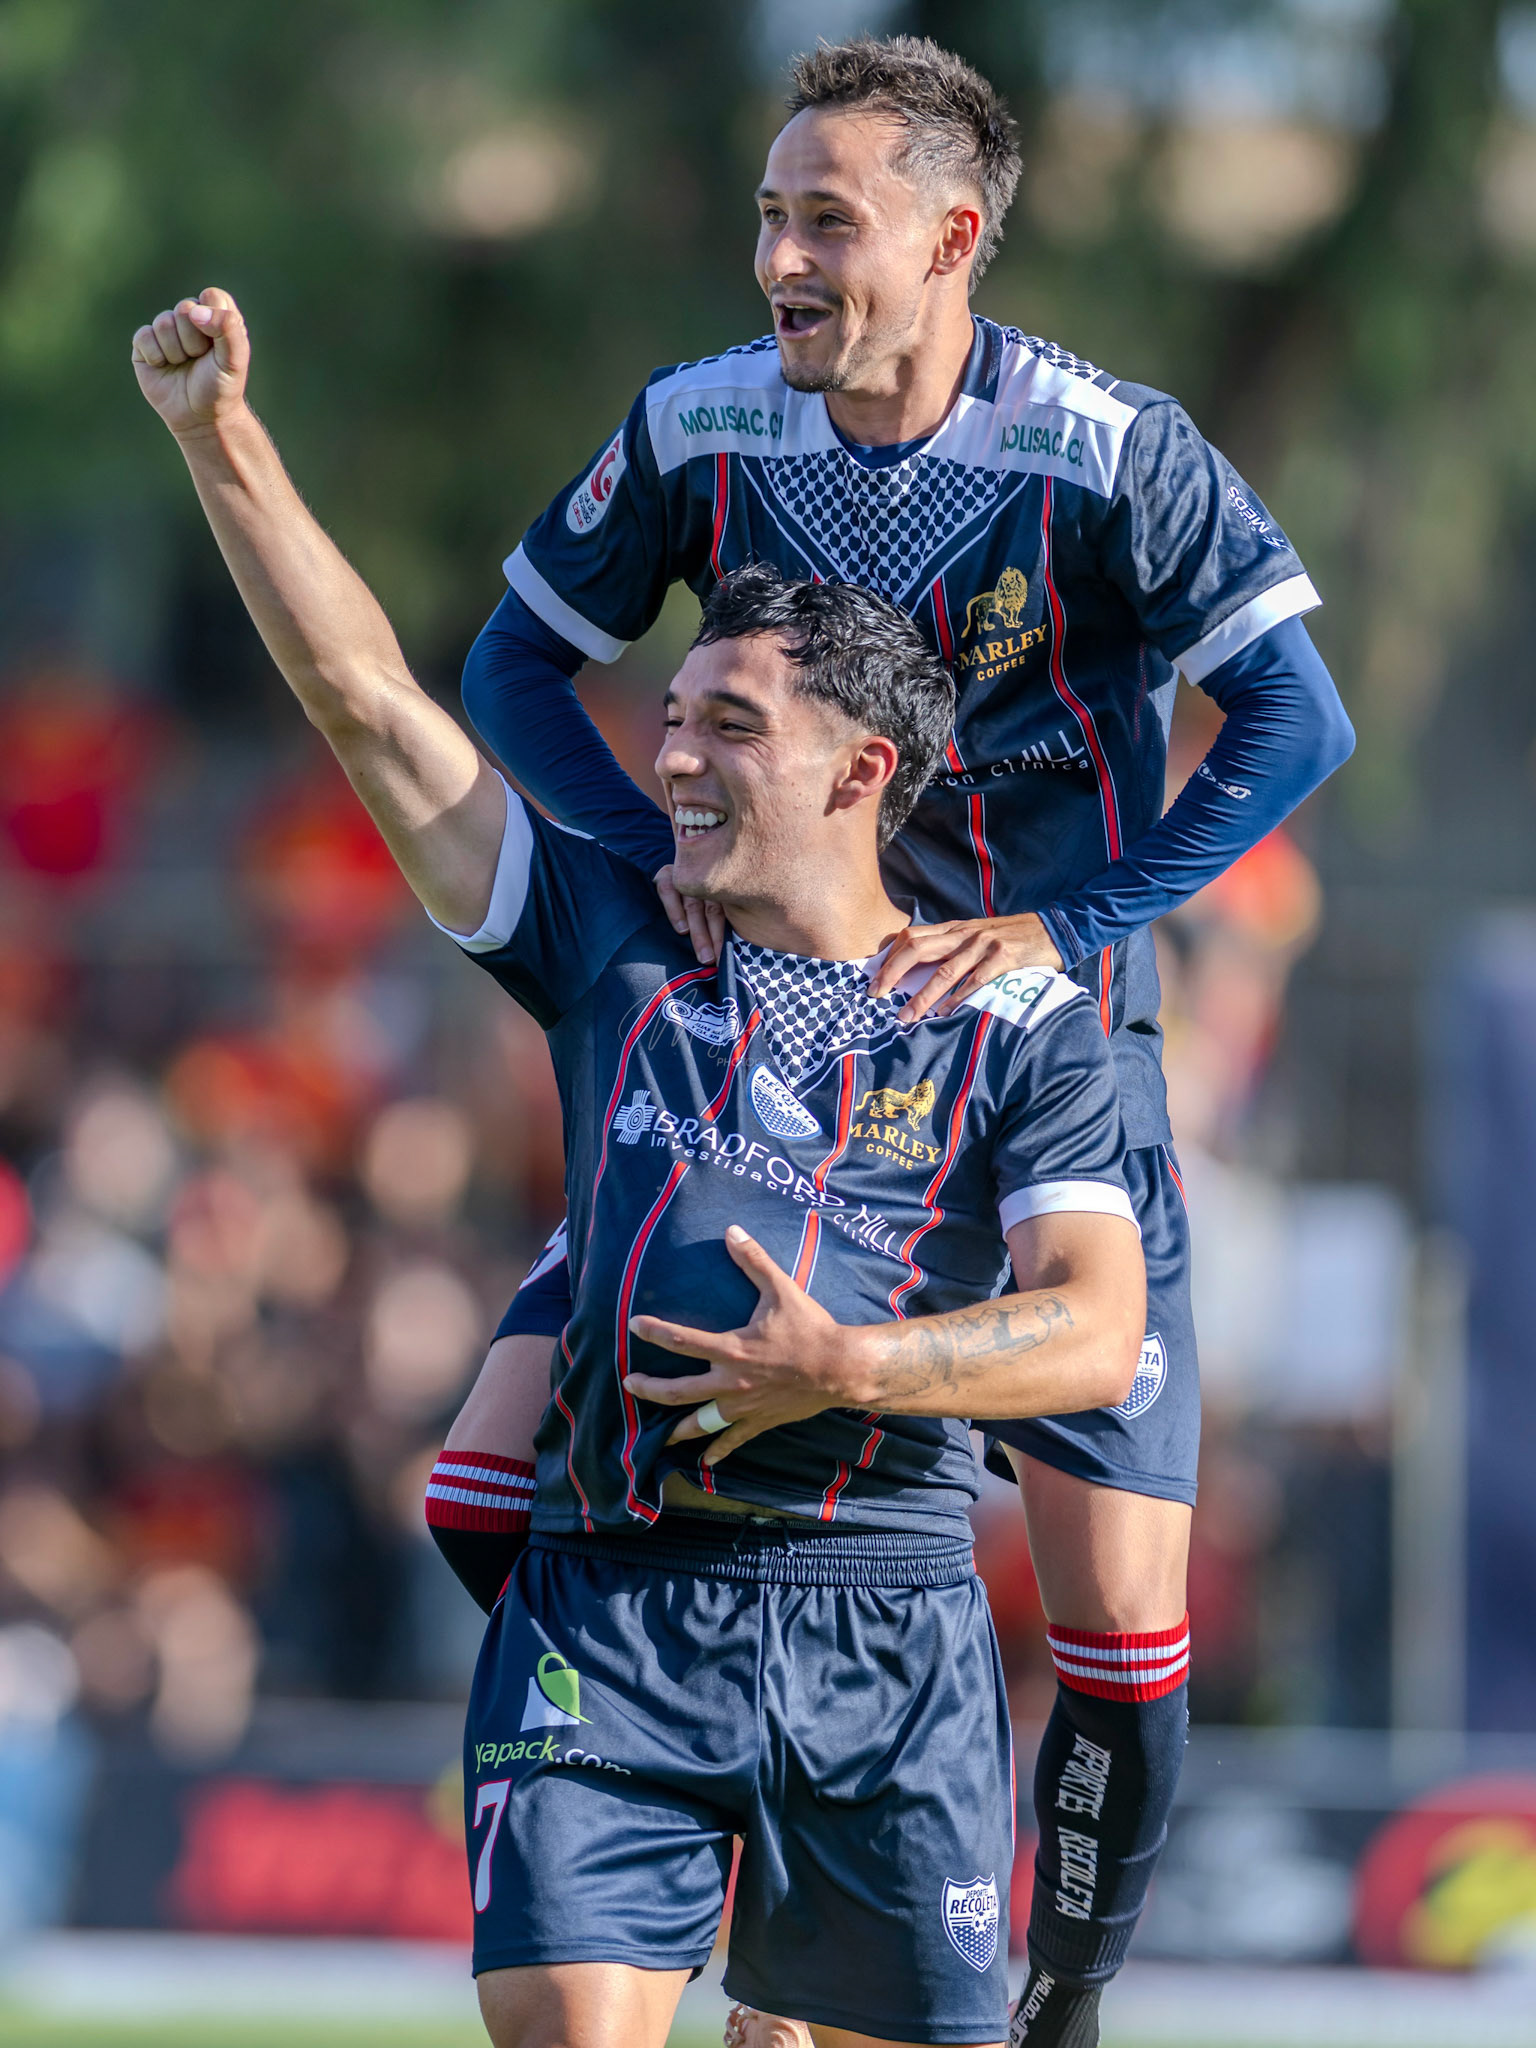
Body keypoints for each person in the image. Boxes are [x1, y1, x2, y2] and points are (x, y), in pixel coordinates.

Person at [437, 30, 1356, 2048]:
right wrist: (639, 851)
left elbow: (1300, 719)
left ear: (952, 240)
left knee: (1120, 1626)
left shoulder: (1109, 454)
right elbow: (513, 652)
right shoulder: (696, 431)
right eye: (768, 212)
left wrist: (1074, 921)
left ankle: (1059, 1999)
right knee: (479, 1495)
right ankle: (686, 1872)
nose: (777, 252)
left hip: (1035, 1069)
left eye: (821, 219)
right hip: (760, 1056)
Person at [130, 282, 1149, 2048]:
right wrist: (224, 442)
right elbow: (371, 704)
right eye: (672, 714)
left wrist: (852, 1369)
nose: (671, 753)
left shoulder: (1022, 1018)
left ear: (865, 774)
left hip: (888, 1626)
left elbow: (1094, 1330)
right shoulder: (610, 943)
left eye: (729, 727)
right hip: (615, 1601)